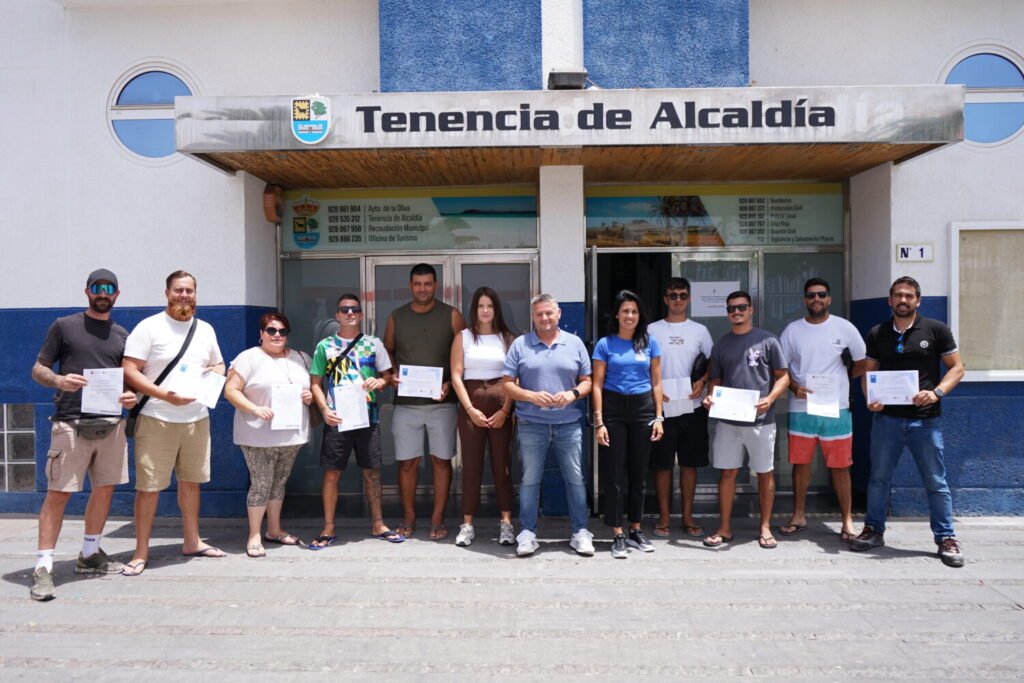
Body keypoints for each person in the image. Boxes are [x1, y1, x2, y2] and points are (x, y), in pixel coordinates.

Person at [28, 269, 137, 601]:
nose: (103, 293)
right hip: (70, 424)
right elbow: (38, 368)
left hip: (110, 425)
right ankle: (43, 568)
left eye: (109, 289)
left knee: (103, 491)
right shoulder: (64, 326)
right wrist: (59, 381)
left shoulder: (122, 334)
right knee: (58, 494)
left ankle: (90, 554)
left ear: (117, 294)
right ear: (87, 291)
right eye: (97, 288)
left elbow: (128, 380)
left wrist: (130, 395)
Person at [850, 276, 966, 567]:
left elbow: (957, 368)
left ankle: (946, 538)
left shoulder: (936, 329)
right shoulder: (877, 333)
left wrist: (936, 392)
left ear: (918, 300)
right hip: (886, 420)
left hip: (924, 422)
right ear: (889, 300)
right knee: (878, 478)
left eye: (909, 296)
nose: (903, 300)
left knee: (935, 482)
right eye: (898, 295)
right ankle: (874, 530)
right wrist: (870, 399)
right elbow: (869, 374)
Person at [121, 271, 225, 575]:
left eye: (189, 291)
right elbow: (131, 371)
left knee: (191, 483)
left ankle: (192, 541)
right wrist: (164, 395)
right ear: (167, 293)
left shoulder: (205, 329)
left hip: (196, 418)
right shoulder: (149, 327)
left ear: (195, 294)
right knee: (149, 488)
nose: (184, 296)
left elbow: (219, 363)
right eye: (178, 290)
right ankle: (141, 552)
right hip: (157, 418)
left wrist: (216, 372)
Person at [503, 294, 594, 557]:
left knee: (575, 480)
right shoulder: (521, 345)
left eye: (548, 313)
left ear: (559, 314)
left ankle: (580, 532)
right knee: (530, 480)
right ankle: (528, 533)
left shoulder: (574, 343)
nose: (544, 318)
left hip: (568, 424)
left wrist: (573, 394)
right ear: (533, 317)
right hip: (532, 424)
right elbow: (507, 384)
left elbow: (587, 381)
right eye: (539, 314)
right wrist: (531, 395)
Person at [309, 294, 402, 547]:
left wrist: (380, 382)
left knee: (372, 472)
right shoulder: (325, 346)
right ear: (337, 315)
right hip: (337, 418)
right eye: (344, 310)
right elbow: (315, 383)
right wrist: (324, 409)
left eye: (354, 310)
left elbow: (388, 376)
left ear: (361, 315)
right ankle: (328, 528)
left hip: (367, 417)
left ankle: (378, 523)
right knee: (332, 474)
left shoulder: (373, 344)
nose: (350, 313)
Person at [779, 278, 866, 542]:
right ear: (805, 300)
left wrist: (841, 383)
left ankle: (847, 520)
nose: (816, 299)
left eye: (821, 294)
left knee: (841, 465)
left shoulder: (845, 328)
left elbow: (863, 362)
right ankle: (798, 515)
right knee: (801, 463)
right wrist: (794, 388)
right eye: (811, 295)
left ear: (829, 298)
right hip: (801, 407)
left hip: (836, 408)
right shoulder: (792, 330)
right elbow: (782, 370)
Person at [383, 264, 465, 540]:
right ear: (410, 286)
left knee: (441, 461)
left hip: (442, 402)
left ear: (436, 285)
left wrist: (450, 384)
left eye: (427, 283)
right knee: (407, 463)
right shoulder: (397, 317)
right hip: (406, 403)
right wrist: (391, 373)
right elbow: (388, 353)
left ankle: (438, 518)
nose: (422, 289)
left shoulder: (452, 316)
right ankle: (408, 516)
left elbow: (464, 358)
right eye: (417, 284)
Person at [703, 291, 789, 550]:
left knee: (764, 473)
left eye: (741, 307)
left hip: (761, 420)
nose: (736, 312)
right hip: (728, 422)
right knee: (727, 473)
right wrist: (710, 397)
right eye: (731, 309)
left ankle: (764, 526)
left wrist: (771, 398)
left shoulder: (769, 341)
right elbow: (715, 381)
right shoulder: (721, 345)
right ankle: (725, 527)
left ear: (750, 309)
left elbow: (783, 376)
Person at [223, 312, 313, 558]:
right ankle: (254, 534)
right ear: (261, 333)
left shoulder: (301, 358)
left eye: (282, 331)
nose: (277, 335)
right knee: (261, 483)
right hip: (257, 435)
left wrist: (310, 397)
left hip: (290, 435)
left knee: (278, 483)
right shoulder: (249, 358)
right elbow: (231, 391)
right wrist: (255, 409)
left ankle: (274, 529)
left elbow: (312, 389)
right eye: (271, 330)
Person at [592, 290, 664, 558]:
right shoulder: (605, 344)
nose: (630, 316)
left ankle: (635, 528)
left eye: (634, 311)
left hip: (643, 410)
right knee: (613, 474)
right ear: (617, 315)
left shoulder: (650, 343)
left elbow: (657, 381)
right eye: (625, 311)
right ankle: (617, 533)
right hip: (613, 410)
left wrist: (659, 416)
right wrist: (599, 421)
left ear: (639, 315)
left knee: (639, 473)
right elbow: (597, 385)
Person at [647, 277, 714, 538]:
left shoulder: (700, 330)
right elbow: (642, 363)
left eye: (682, 295)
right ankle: (664, 517)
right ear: (665, 299)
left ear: (689, 298)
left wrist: (703, 381)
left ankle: (687, 517)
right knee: (662, 465)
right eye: (672, 295)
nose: (677, 300)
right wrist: (654, 388)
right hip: (662, 409)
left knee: (690, 464)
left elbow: (711, 362)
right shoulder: (652, 329)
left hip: (693, 406)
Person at [450, 286, 516, 547]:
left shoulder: (508, 338)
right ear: (474, 310)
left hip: (502, 402)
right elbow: (456, 375)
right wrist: (469, 409)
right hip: (471, 402)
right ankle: (467, 524)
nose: (485, 310)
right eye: (481, 306)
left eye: (490, 306)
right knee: (472, 466)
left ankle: (507, 523)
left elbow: (514, 378)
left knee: (503, 466)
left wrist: (505, 410)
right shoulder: (463, 337)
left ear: (496, 309)